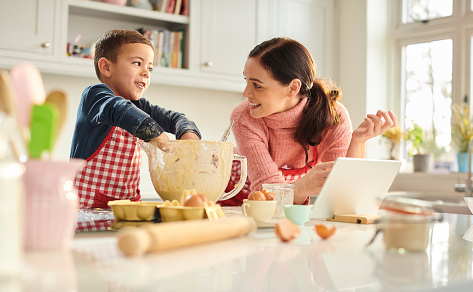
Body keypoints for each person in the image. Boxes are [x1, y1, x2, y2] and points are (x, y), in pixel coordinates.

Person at [219, 37, 397, 206]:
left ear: (293, 88)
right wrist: (302, 187)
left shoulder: (332, 116)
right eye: (247, 81)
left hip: (280, 206)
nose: (246, 93)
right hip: (229, 198)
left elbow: (340, 192)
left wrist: (358, 140)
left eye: (257, 85)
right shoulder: (244, 117)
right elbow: (264, 193)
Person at [70, 29, 201, 209]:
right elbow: (119, 110)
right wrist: (161, 139)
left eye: (150, 68)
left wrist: (188, 136)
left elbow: (176, 118)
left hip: (129, 205)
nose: (146, 73)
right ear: (106, 67)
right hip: (89, 208)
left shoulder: (139, 106)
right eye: (137, 63)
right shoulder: (95, 96)